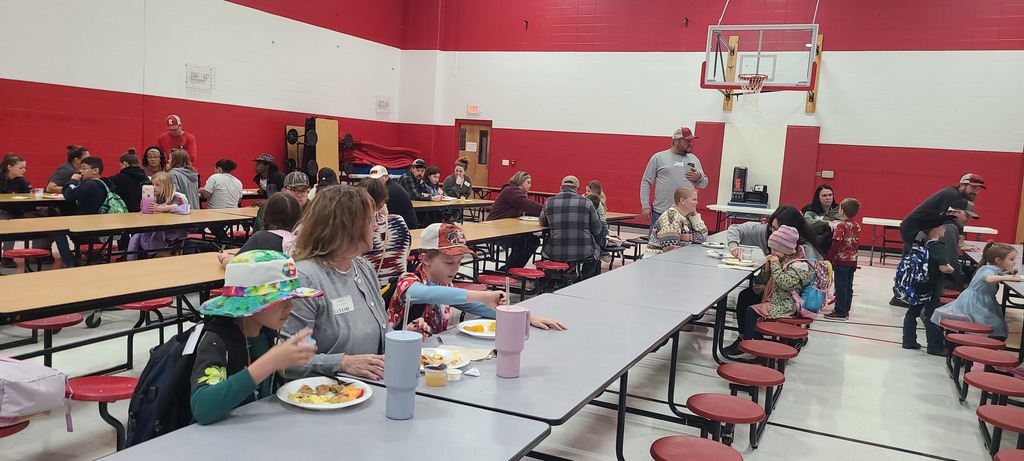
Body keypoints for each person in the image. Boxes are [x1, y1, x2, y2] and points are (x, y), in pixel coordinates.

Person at [281, 185, 430, 380]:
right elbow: (287, 361)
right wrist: (343, 363)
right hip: (325, 398)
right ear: (347, 227)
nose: (376, 226)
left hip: (367, 389)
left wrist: (401, 336)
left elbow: (373, 336)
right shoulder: (305, 278)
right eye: (370, 220)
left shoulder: (363, 268)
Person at [190, 250, 322, 425]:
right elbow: (202, 407)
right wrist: (269, 362)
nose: (290, 306)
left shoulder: (268, 333)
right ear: (247, 303)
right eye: (280, 300)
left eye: (292, 298)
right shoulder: (216, 340)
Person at [389, 222, 567, 334]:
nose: (455, 268)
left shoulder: (446, 285)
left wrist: (527, 317)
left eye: (459, 262)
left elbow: (481, 307)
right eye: (449, 262)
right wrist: (483, 295)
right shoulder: (409, 281)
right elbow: (429, 294)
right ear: (425, 258)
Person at [722, 205, 821, 353]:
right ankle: (748, 339)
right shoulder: (772, 239)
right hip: (775, 291)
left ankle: (756, 343)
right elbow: (737, 228)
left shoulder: (803, 254)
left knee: (752, 308)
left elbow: (793, 283)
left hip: (790, 299)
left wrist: (774, 268)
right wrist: (734, 246)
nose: (773, 232)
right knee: (746, 295)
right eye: (772, 228)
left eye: (777, 229)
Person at [932, 242, 1020, 341]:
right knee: (995, 324)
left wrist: (1008, 272)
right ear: (998, 260)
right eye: (1011, 259)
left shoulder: (993, 268)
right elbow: (989, 279)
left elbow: (998, 274)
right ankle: (983, 344)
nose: (1014, 262)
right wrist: (1011, 277)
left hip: (979, 300)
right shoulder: (987, 269)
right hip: (975, 302)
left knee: (997, 323)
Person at [901, 214, 956, 355]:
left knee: (912, 312)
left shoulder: (919, 243)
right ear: (936, 230)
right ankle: (935, 345)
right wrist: (952, 268)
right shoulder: (938, 247)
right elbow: (944, 268)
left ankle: (908, 340)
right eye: (943, 227)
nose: (945, 229)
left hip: (918, 284)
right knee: (932, 315)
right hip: (932, 287)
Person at [639, 127, 709, 233]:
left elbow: (703, 184)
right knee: (656, 246)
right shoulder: (659, 158)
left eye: (691, 141)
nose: (690, 143)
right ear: (676, 141)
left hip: (686, 214)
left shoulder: (694, 159)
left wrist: (699, 177)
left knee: (684, 245)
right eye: (687, 141)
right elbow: (646, 182)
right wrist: (645, 205)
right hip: (662, 211)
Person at [538, 176, 605, 280]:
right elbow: (597, 229)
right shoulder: (587, 203)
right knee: (597, 252)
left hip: (555, 251)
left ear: (561, 187)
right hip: (583, 252)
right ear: (577, 188)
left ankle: (554, 278)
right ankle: (584, 280)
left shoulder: (549, 202)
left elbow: (542, 222)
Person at [899, 173, 985, 255]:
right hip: (914, 228)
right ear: (962, 186)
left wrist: (960, 242)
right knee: (915, 260)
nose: (976, 192)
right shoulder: (953, 195)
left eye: (978, 189)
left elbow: (957, 221)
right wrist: (960, 244)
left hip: (920, 228)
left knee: (912, 261)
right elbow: (948, 218)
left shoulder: (959, 197)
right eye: (973, 188)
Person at [219, 193, 304, 268]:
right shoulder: (305, 237)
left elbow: (234, 266)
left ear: (267, 213)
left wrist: (224, 258)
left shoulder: (262, 238)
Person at [56, 157, 111, 267]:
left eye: (84, 168)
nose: (80, 171)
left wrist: (73, 180)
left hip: (86, 226)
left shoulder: (90, 184)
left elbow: (69, 195)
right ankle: (84, 252)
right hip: (99, 226)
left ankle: (69, 261)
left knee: (57, 230)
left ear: (95, 171)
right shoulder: (105, 183)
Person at [358, 178, 411, 290]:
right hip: (397, 291)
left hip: (369, 290)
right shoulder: (399, 221)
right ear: (383, 202)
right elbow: (406, 253)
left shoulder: (358, 226)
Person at [486, 171, 544, 271]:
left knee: (531, 241)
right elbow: (529, 206)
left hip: (506, 229)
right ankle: (508, 270)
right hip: (495, 231)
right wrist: (549, 209)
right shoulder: (511, 191)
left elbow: (528, 209)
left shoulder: (516, 192)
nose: (530, 185)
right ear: (520, 181)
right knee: (528, 242)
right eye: (528, 182)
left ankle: (511, 269)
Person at [126, 172, 191, 260]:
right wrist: (145, 207)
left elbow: (175, 206)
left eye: (157, 185)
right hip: (155, 227)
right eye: (152, 184)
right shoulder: (154, 197)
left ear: (167, 186)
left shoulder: (174, 197)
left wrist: (159, 208)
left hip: (169, 229)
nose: (154, 187)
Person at [1, 154, 48, 268]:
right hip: (4, 211)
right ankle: (7, 256)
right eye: (21, 168)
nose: (24, 170)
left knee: (42, 220)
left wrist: (36, 210)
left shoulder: (22, 181)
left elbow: (29, 197)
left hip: (17, 210)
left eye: (25, 167)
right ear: (10, 167)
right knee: (9, 224)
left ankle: (36, 252)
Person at [823, 198, 862, 320]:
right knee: (848, 285)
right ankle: (846, 308)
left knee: (840, 286)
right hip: (853, 260)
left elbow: (836, 244)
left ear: (842, 211)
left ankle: (839, 311)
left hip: (841, 260)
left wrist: (829, 258)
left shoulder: (841, 226)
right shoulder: (857, 226)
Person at [646, 186, 708, 255]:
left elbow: (702, 239)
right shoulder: (671, 217)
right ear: (682, 201)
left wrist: (695, 216)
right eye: (694, 200)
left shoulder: (686, 217)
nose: (697, 203)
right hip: (656, 262)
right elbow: (671, 250)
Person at [938, 199, 980, 292]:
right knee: (978, 280)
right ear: (954, 212)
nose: (968, 220)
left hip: (934, 271)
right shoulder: (950, 228)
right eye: (967, 216)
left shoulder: (941, 221)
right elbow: (951, 261)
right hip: (938, 278)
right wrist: (964, 281)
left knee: (972, 270)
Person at [370, 164, 418, 229]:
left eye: (377, 179)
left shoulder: (388, 191)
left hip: (406, 227)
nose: (375, 182)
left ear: (386, 177)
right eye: (373, 179)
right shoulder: (391, 186)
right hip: (403, 224)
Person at [109, 148, 149, 213]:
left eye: (121, 164)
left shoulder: (118, 179)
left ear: (125, 163)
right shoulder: (145, 178)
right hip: (143, 213)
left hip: (124, 214)